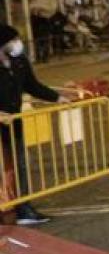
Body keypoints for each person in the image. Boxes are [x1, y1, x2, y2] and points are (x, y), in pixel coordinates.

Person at [0, 26, 70, 225]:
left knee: (20, 164)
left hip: (13, 124)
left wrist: (57, 97)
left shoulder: (19, 62)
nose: (17, 43)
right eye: (13, 39)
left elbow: (32, 85)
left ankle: (23, 208)